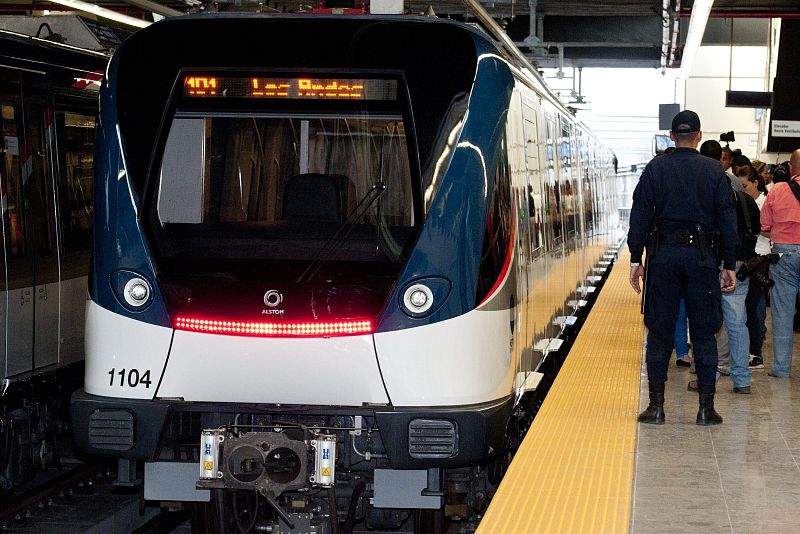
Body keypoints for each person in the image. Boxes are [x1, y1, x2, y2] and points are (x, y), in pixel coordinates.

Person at [628, 110, 738, 426]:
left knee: (659, 331)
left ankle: (656, 407)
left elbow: (640, 213)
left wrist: (636, 258)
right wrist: (729, 264)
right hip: (702, 258)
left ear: (672, 136)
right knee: (703, 331)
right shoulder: (714, 171)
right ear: (699, 136)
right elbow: (727, 219)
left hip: (663, 257)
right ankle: (706, 409)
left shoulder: (655, 168)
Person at [760, 149, 800, 378]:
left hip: (784, 254)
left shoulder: (778, 190)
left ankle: (781, 368)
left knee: (783, 313)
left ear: (791, 168)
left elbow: (764, 224)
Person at [739, 166, 770, 369]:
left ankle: (755, 352)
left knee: (756, 307)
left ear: (756, 183)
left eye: (745, 186)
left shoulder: (766, 202)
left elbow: (771, 229)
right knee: (745, 307)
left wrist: (756, 228)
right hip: (747, 259)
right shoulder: (741, 202)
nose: (742, 189)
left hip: (762, 259)